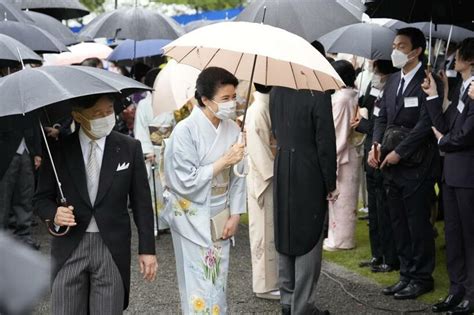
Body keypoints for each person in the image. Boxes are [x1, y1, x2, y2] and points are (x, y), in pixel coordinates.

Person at [34, 94, 158, 314]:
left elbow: (142, 203)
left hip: (111, 245)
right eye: (97, 114)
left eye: (109, 111)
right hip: (70, 245)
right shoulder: (59, 150)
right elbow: (41, 199)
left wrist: (147, 249)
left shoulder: (129, 147)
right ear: (78, 116)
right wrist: (55, 213)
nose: (105, 117)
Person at [162, 67, 246, 314]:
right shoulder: (185, 131)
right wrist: (223, 161)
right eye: (225, 99)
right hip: (192, 214)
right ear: (205, 100)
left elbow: (240, 177)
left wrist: (235, 214)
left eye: (234, 98)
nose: (232, 104)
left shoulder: (233, 129)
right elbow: (183, 181)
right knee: (198, 280)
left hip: (221, 213)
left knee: (217, 279)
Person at [369, 27, 442, 300]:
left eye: (401, 46)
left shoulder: (429, 80)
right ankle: (407, 274)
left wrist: (400, 151)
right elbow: (381, 117)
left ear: (416, 51)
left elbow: (426, 123)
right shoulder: (392, 81)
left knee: (417, 224)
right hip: (390, 164)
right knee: (398, 222)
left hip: (417, 166)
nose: (395, 50)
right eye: (394, 45)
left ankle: (422, 277)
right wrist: (376, 145)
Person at [270, 40, 337, 315]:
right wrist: (330, 182)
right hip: (308, 170)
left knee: (284, 232)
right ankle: (303, 306)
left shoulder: (277, 89)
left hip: (283, 165)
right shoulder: (318, 92)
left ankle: (287, 301)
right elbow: (325, 142)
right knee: (309, 236)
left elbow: (275, 130)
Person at [423, 38, 474, 315]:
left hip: (468, 176)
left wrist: (444, 142)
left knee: (469, 236)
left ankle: (470, 293)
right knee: (452, 235)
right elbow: (444, 125)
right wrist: (433, 94)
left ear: (470, 59)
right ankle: (456, 289)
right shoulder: (460, 89)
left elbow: (465, 135)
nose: (454, 59)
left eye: (458, 55)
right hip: (451, 175)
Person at [354, 60, 399, 272]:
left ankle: (389, 257)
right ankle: (376, 253)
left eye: (377, 71)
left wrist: (362, 125)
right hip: (370, 153)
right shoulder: (375, 90)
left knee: (384, 210)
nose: (374, 74)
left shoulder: (393, 91)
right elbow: (365, 104)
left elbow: (385, 122)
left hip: (383, 154)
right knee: (373, 210)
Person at [246, 83, 279, 300]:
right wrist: (275, 172)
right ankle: (264, 285)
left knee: (269, 232)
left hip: (266, 173)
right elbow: (259, 149)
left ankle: (271, 280)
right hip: (264, 177)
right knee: (264, 232)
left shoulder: (262, 107)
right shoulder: (259, 109)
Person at [323, 60, 361, 251]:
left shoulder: (341, 98)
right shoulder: (351, 94)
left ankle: (340, 240)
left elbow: (339, 132)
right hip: (349, 151)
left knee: (341, 200)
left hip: (342, 153)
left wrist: (331, 157)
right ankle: (341, 238)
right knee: (345, 199)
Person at [133, 67, 174, 234]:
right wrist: (147, 150)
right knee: (153, 189)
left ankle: (171, 222)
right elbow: (141, 129)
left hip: (169, 149)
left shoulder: (172, 103)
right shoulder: (144, 104)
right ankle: (157, 224)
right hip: (153, 152)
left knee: (170, 187)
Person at [0, 112, 42, 250]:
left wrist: (37, 152)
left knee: (25, 194)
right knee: (3, 197)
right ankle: (2, 238)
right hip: (4, 150)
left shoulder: (27, 97)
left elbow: (36, 124)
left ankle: (23, 236)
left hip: (27, 151)